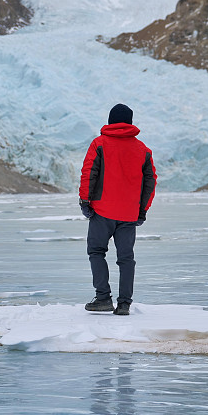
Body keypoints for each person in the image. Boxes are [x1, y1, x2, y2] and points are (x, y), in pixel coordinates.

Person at [79, 103, 157, 316]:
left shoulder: (99, 144)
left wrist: (85, 202)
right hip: (129, 214)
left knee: (96, 252)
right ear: (130, 122)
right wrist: (142, 211)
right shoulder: (143, 150)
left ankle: (103, 298)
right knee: (126, 258)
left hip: (101, 211)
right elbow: (150, 183)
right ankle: (124, 304)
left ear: (110, 120)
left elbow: (89, 173)